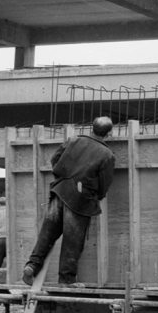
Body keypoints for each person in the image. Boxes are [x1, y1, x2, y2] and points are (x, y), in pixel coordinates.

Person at [22, 116, 116, 286]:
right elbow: (105, 183)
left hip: (59, 191)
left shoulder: (73, 141)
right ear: (109, 133)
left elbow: (54, 160)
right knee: (73, 241)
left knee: (47, 234)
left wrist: (62, 177)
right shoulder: (107, 154)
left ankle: (32, 266)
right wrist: (96, 196)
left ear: (91, 128)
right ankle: (66, 280)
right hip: (80, 199)